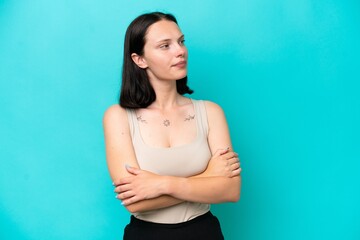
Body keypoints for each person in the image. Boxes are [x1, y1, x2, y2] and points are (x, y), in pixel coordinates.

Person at [103, 12, 241, 240]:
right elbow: (135, 203)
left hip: (204, 233)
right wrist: (208, 176)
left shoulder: (210, 112)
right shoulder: (118, 116)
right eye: (165, 46)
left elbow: (231, 190)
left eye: (181, 41)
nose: (180, 51)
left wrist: (162, 184)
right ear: (140, 59)